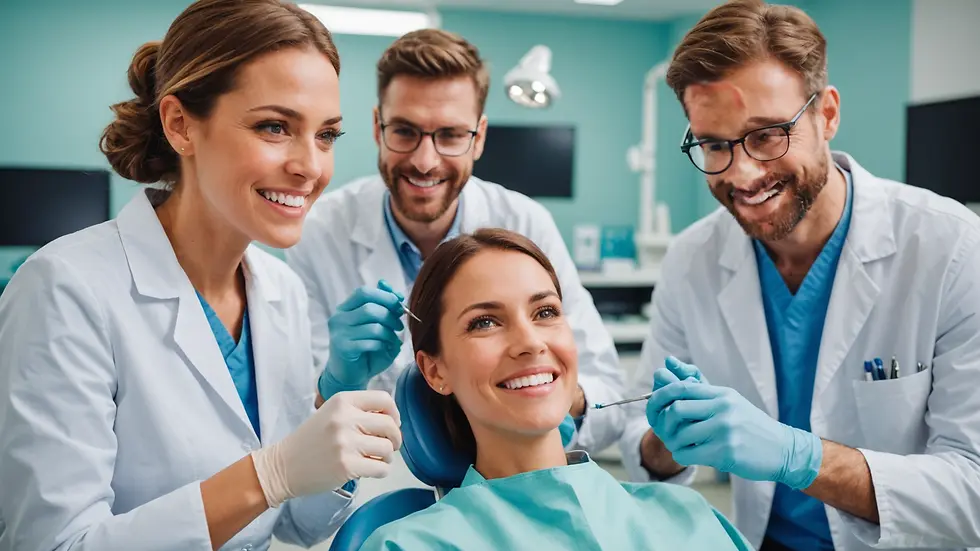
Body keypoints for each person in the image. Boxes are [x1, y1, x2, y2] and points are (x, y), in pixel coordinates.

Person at [0, 1, 403, 549]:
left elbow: (297, 523)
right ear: (180, 125)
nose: (310, 166)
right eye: (274, 127)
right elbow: (57, 544)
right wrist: (267, 475)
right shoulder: (64, 288)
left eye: (326, 135)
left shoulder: (280, 291)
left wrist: (336, 399)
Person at [616, 1, 980, 550]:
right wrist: (666, 438)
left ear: (827, 114)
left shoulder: (951, 248)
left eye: (767, 135)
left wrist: (798, 456)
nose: (743, 174)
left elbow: (972, 489)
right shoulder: (692, 259)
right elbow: (639, 435)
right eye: (714, 144)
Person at [285, 29, 624, 454]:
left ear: (478, 138)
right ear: (376, 127)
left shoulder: (525, 222)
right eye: (404, 131)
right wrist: (334, 383)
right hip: (376, 478)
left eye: (449, 135)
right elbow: (291, 422)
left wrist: (551, 391)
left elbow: (609, 398)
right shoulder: (320, 230)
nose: (425, 161)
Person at [357, 228, 753, 550]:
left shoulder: (685, 514)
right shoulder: (409, 545)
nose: (531, 343)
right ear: (434, 370)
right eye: (485, 322)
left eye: (545, 312)